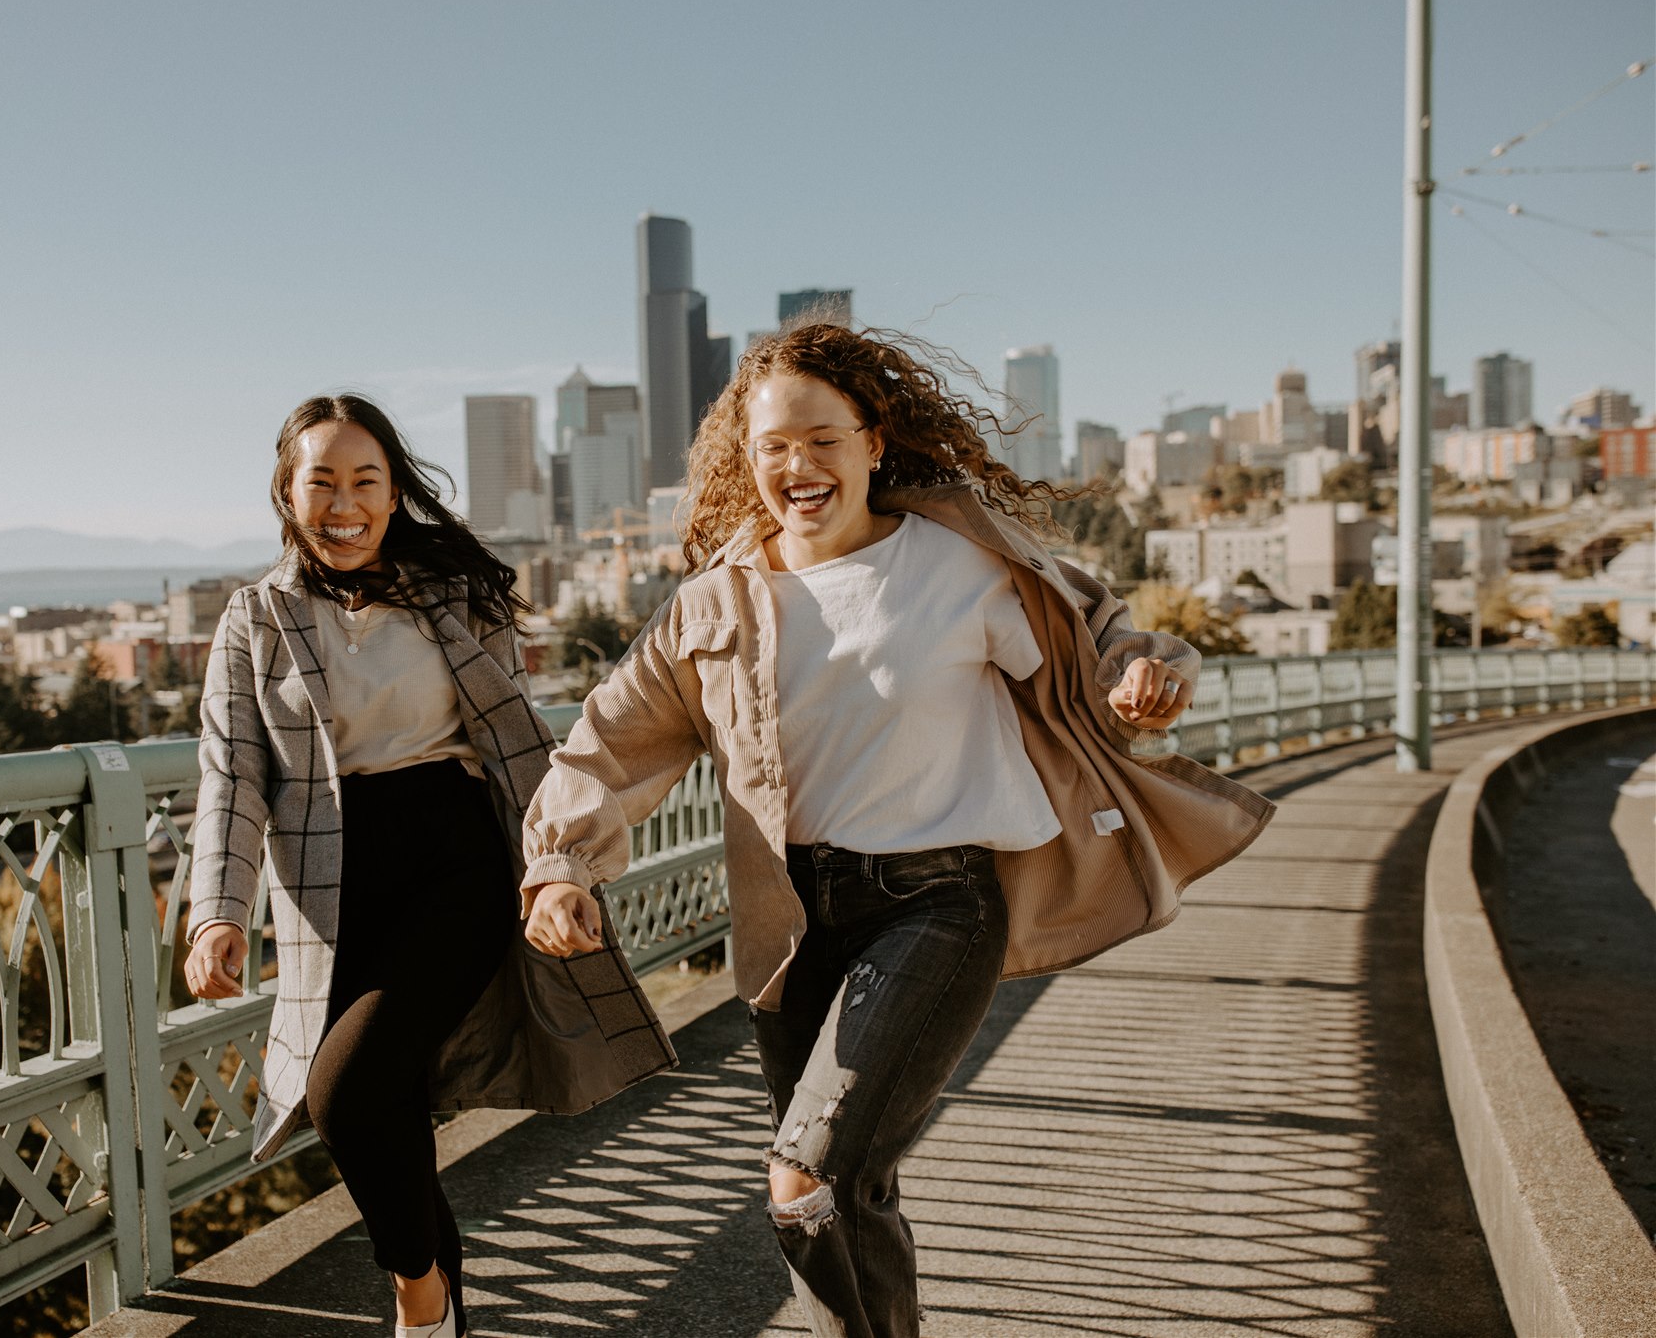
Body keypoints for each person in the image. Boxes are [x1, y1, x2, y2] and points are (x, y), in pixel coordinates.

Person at [520, 325, 1275, 1336]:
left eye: (822, 439)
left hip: (934, 904)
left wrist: (1140, 674)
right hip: (787, 925)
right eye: (773, 447)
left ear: (874, 442)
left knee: (803, 1173)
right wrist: (562, 864)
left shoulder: (962, 565)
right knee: (846, 1194)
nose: (797, 467)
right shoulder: (711, 607)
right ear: (745, 460)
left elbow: (1097, 638)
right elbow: (607, 746)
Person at [183, 394, 674, 1338]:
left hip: (457, 860)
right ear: (287, 492)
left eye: (366, 480)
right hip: (330, 887)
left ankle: (418, 1299)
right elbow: (231, 777)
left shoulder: (456, 594)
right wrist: (218, 913)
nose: (344, 501)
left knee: (346, 1090)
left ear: (395, 490)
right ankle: (447, 1313)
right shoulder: (254, 619)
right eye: (320, 479)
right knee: (391, 1101)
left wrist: (559, 859)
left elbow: (524, 738)